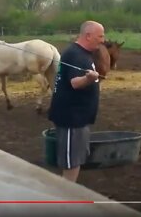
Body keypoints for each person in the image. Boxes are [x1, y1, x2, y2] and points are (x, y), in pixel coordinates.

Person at [48, 20, 105, 182]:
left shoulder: (82, 53)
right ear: (88, 36)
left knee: (75, 159)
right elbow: (75, 83)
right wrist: (89, 78)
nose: (103, 40)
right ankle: (65, 199)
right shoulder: (76, 55)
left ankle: (68, 195)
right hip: (71, 119)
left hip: (78, 118)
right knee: (71, 163)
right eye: (100, 36)